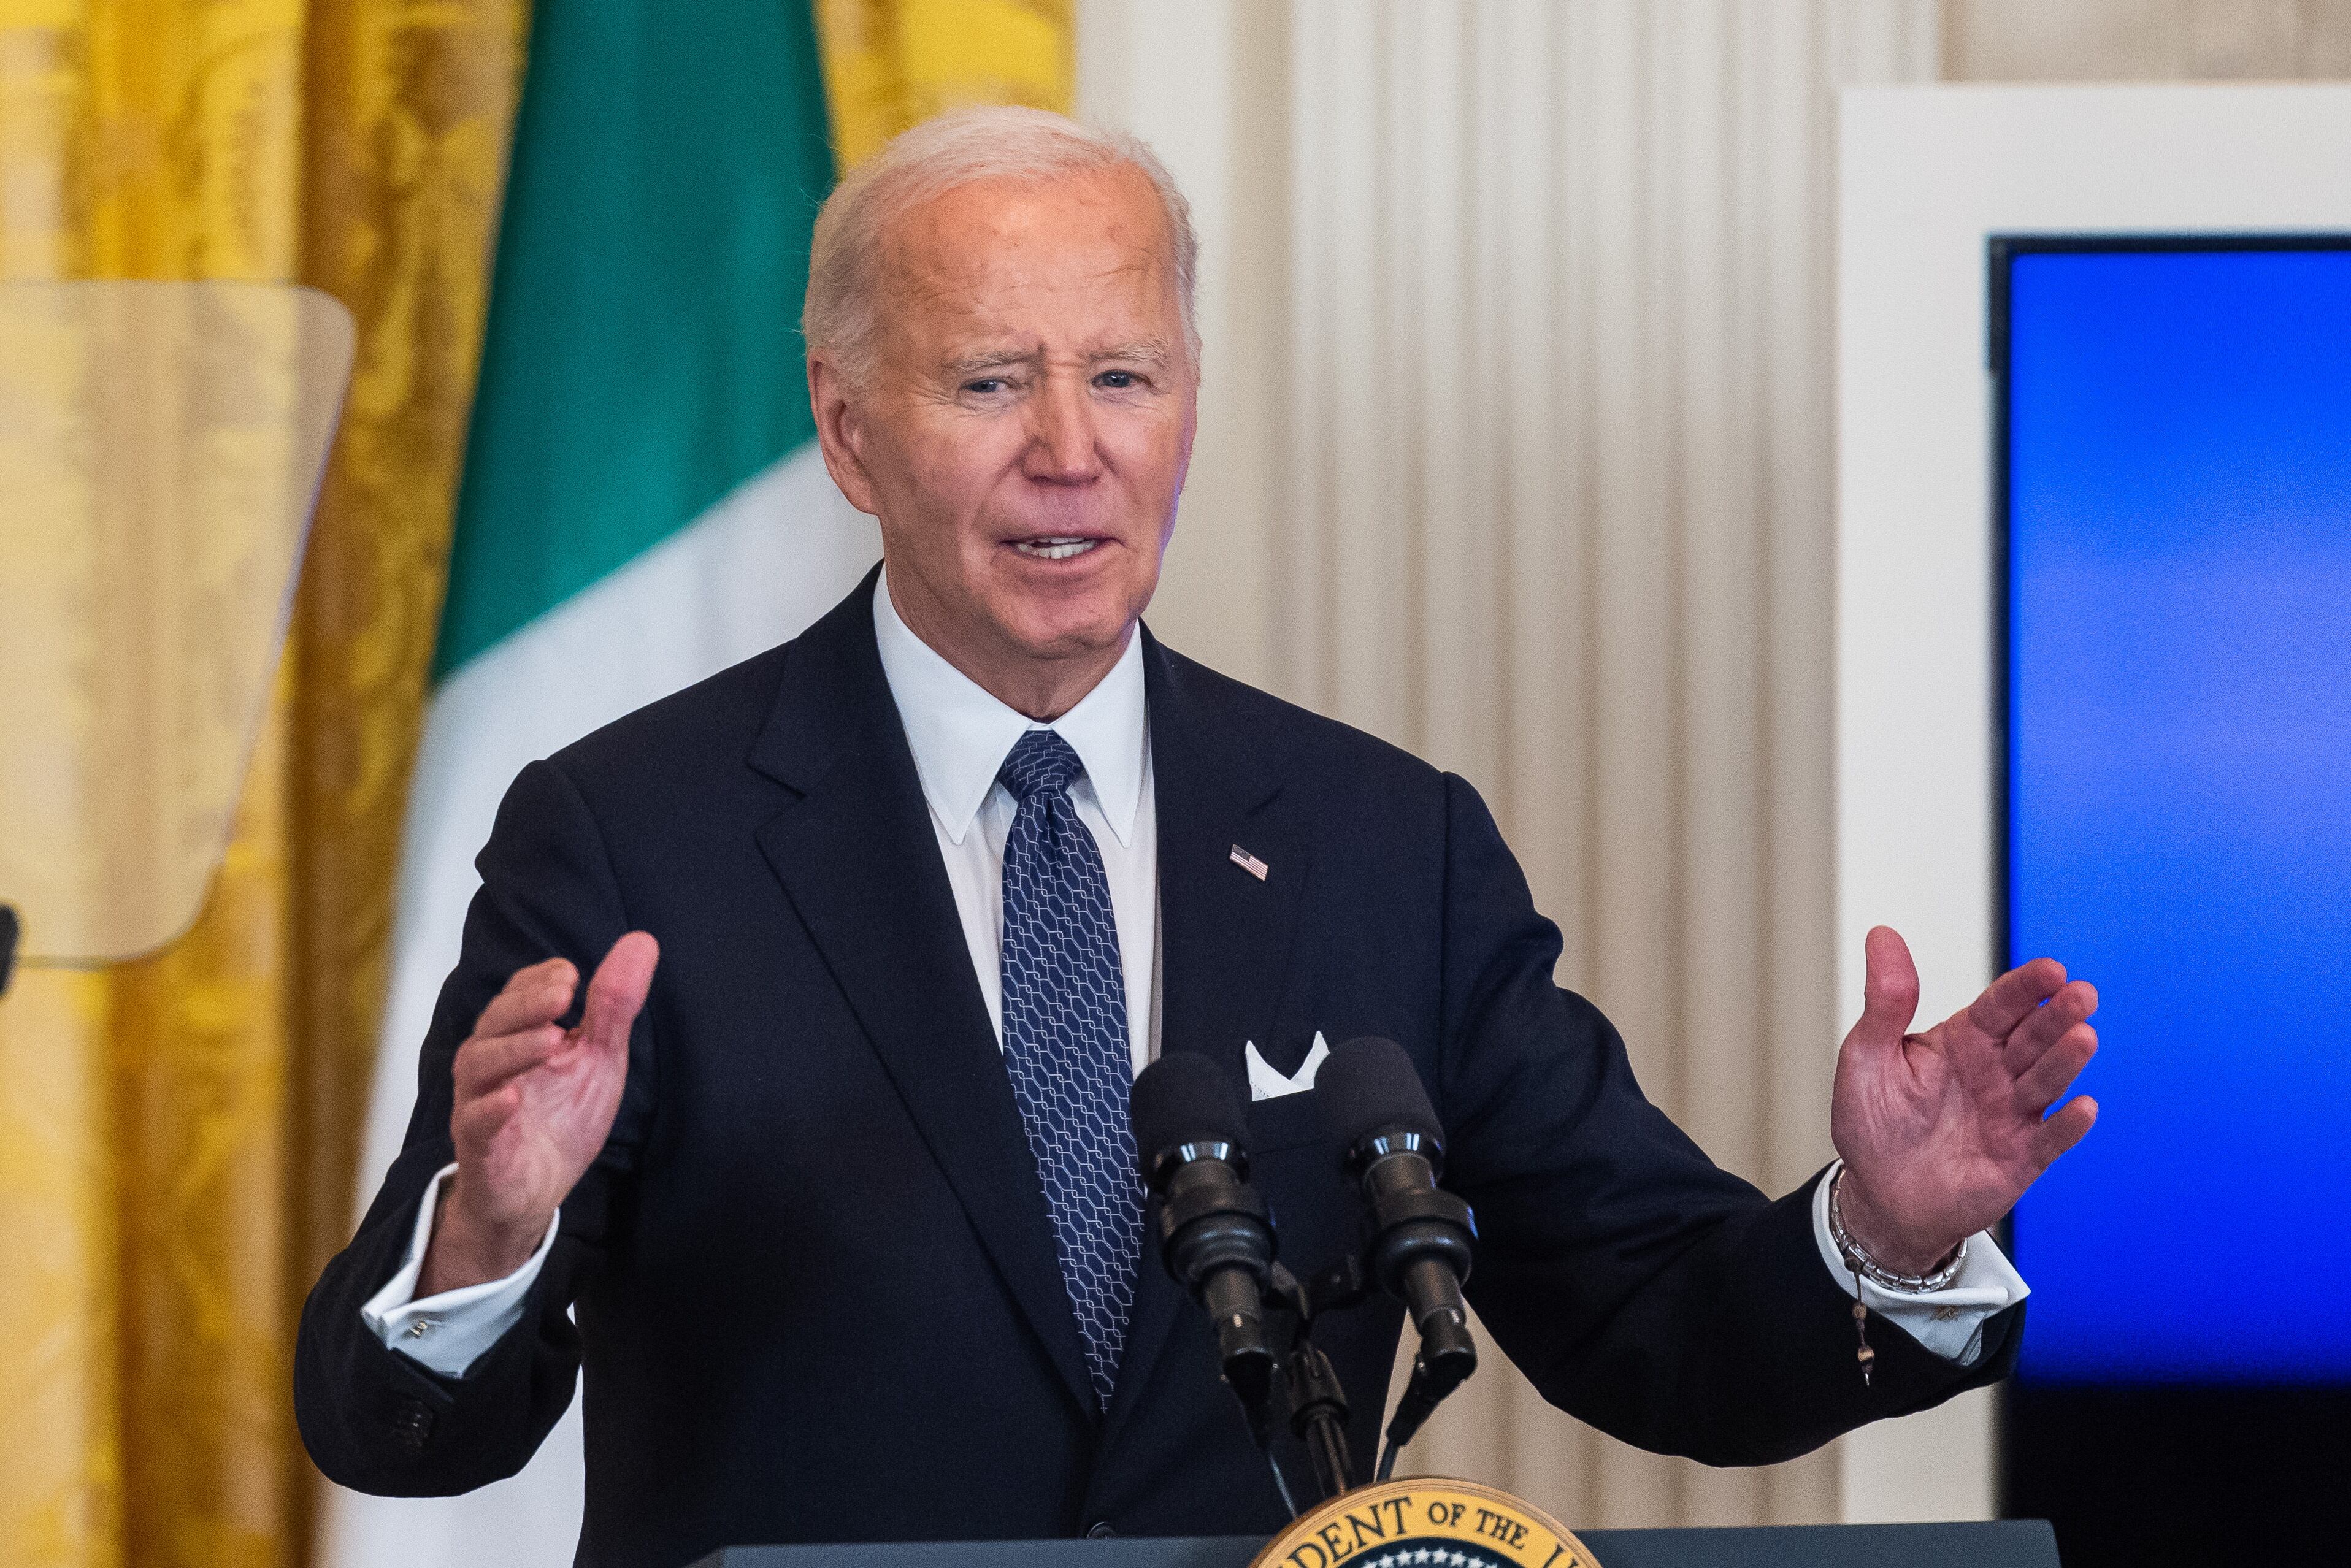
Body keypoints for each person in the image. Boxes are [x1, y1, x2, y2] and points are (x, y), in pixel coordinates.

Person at [296, 108, 2100, 1568]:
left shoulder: (1389, 843)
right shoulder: (634, 836)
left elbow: (1660, 1324)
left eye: (1126, 377)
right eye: (990, 382)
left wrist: (1884, 1228)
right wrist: (490, 1234)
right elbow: (394, 1429)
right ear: (849, 431)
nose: (1069, 451)